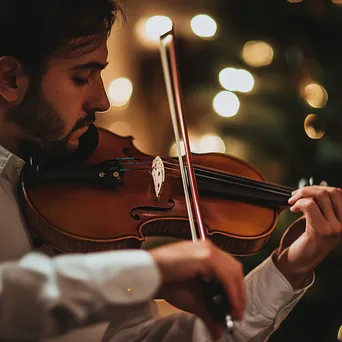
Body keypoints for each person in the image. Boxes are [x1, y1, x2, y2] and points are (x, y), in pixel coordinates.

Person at [0, 0, 341, 341]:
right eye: (81, 77)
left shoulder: (83, 203)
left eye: (98, 74)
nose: (101, 101)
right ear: (10, 80)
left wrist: (289, 268)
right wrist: (153, 271)